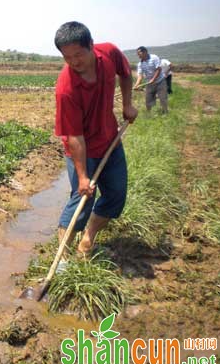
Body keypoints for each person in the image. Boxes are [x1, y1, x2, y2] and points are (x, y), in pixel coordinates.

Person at [53, 21, 138, 258]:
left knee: (116, 195)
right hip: (82, 149)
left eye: (78, 54)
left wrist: (128, 105)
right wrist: (82, 177)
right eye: (67, 57)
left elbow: (126, 73)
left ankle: (88, 239)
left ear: (91, 45)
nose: (74, 62)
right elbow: (74, 136)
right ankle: (63, 258)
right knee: (81, 201)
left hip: (110, 141)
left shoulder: (109, 52)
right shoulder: (66, 89)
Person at [133, 46, 168, 113]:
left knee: (163, 98)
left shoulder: (154, 58)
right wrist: (136, 85)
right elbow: (140, 76)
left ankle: (165, 112)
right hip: (149, 83)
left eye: (139, 54)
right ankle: (150, 114)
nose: (138, 56)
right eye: (137, 54)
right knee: (149, 99)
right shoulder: (140, 64)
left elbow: (158, 69)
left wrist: (153, 79)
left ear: (145, 52)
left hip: (160, 81)